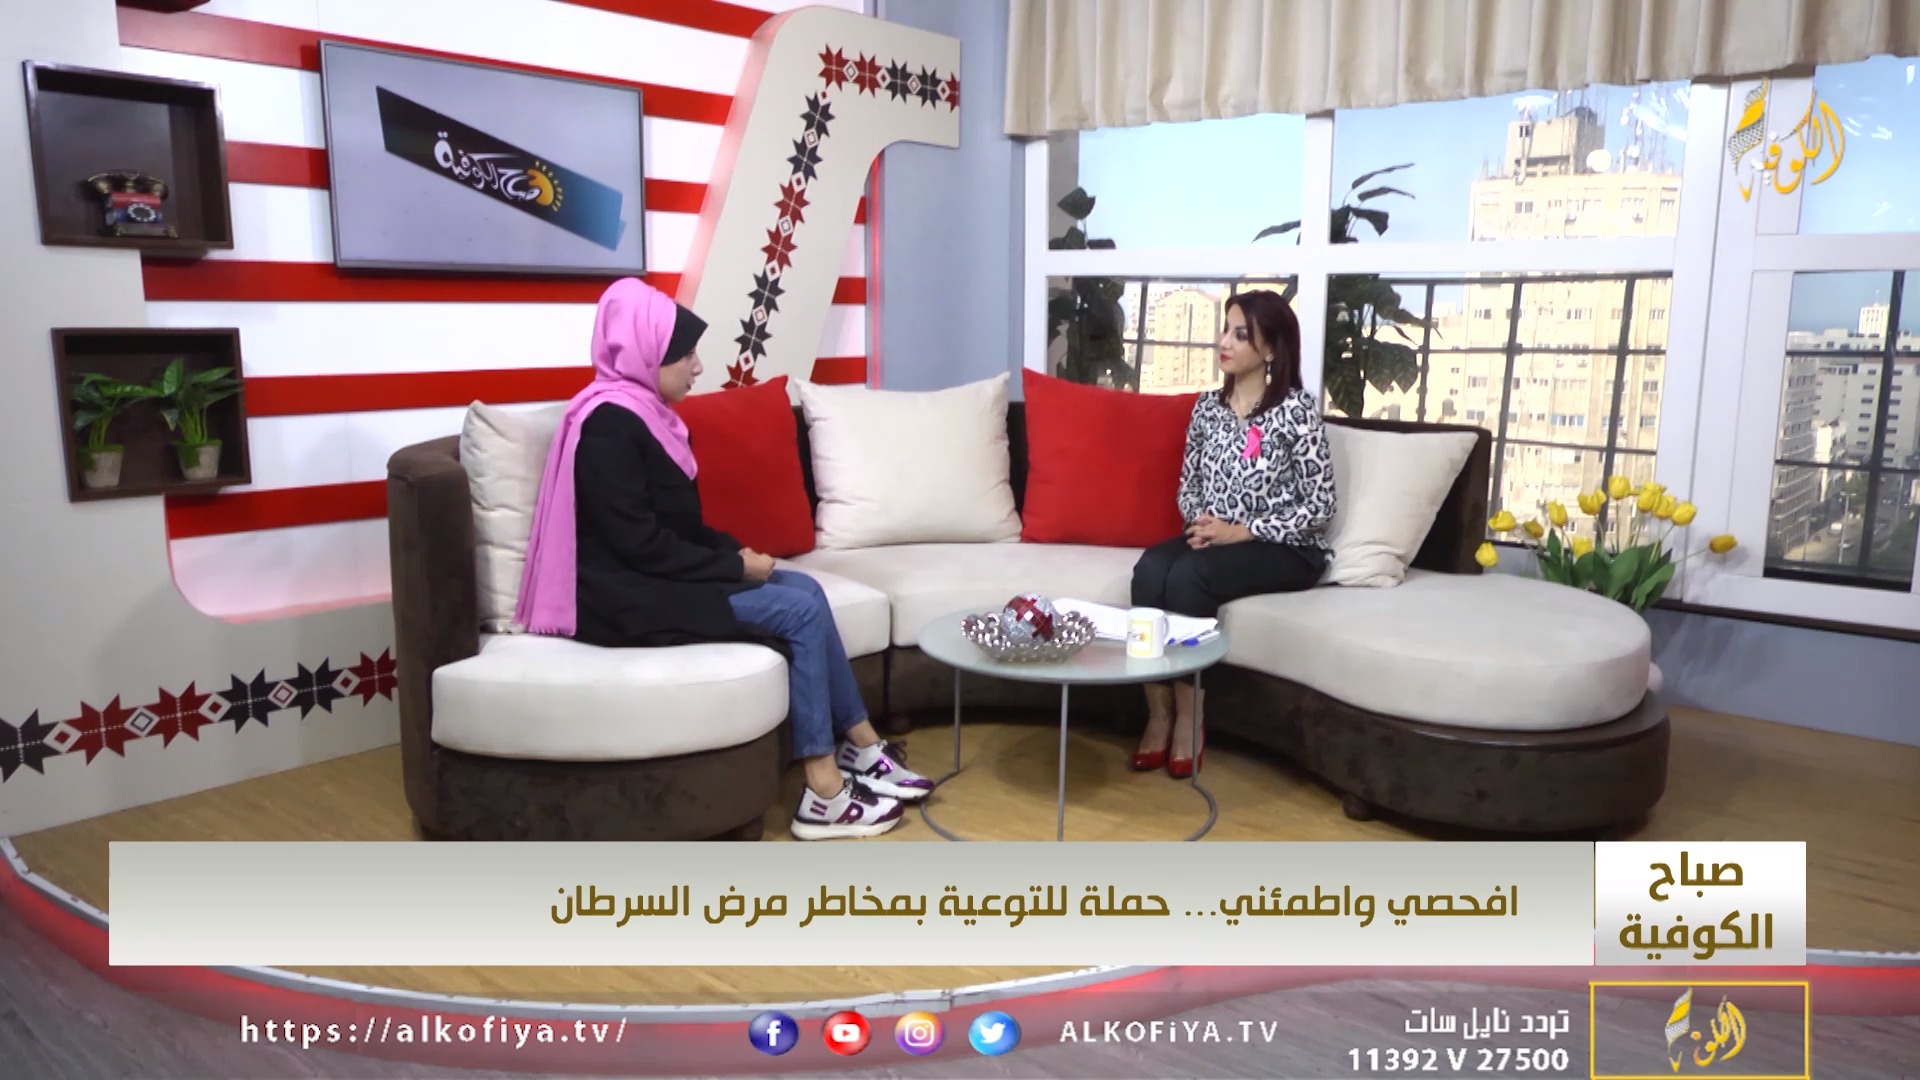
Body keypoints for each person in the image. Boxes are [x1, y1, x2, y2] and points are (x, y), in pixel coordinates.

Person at [515, 278, 932, 840]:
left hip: (658, 579)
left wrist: (736, 551)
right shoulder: (607, 427)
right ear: (646, 355)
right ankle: (823, 791)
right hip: (625, 599)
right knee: (798, 612)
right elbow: (638, 544)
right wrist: (736, 569)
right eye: (686, 355)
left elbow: (679, 528)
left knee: (807, 590)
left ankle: (861, 744)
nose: (698, 367)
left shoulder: (650, 416)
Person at [1129, 289, 1337, 778]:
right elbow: (1189, 484)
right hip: (1214, 538)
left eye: (1240, 335)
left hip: (1285, 547)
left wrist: (1243, 531)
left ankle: (1191, 720)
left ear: (1270, 350)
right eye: (1225, 330)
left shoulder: (1297, 411)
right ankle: (1158, 714)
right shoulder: (1208, 407)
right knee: (1150, 569)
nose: (1224, 342)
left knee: (1189, 578)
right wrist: (1202, 524)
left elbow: (1320, 506)